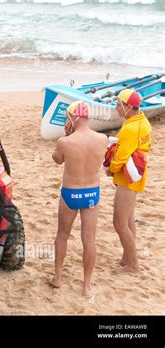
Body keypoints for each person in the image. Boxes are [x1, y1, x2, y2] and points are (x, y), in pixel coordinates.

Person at [49, 101, 108, 296]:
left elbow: (58, 160)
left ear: (72, 117)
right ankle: (86, 285)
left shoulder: (65, 142)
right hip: (92, 193)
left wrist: (66, 137)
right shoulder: (102, 139)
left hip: (71, 194)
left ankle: (57, 278)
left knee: (63, 234)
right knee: (89, 239)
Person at [107, 89, 152, 273]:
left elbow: (120, 157)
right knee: (128, 220)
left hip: (127, 180)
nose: (116, 107)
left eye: (118, 104)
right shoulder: (143, 121)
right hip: (136, 177)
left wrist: (110, 170)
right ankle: (127, 258)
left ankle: (133, 264)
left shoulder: (129, 128)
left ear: (128, 107)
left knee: (119, 222)